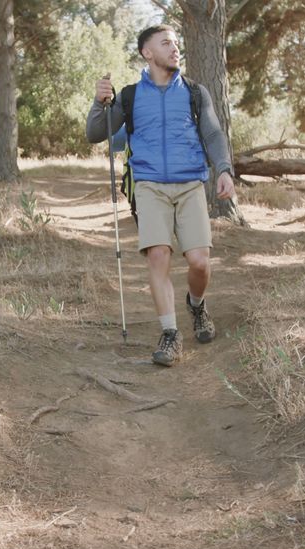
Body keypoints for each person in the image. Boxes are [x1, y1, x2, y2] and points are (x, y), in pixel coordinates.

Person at [85, 24, 236, 367]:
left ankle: (196, 306)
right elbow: (96, 133)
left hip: (190, 184)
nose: (174, 48)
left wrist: (224, 169)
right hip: (150, 184)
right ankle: (169, 333)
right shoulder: (130, 96)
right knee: (158, 255)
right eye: (165, 43)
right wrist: (99, 103)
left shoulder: (195, 93)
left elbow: (212, 133)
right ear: (147, 52)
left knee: (199, 261)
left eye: (176, 42)